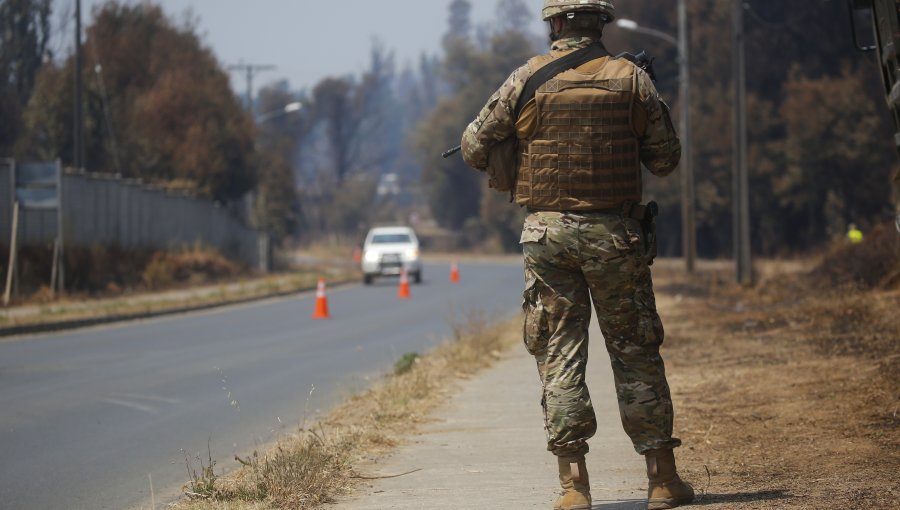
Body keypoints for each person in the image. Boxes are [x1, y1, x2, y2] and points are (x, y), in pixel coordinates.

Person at [460, 1, 694, 509]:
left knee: (559, 355)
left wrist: (521, 149)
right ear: (600, 24)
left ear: (556, 23)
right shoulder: (632, 79)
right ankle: (662, 480)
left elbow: (474, 145)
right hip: (617, 236)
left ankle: (574, 487)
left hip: (548, 238)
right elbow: (666, 159)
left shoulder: (526, 78)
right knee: (634, 352)